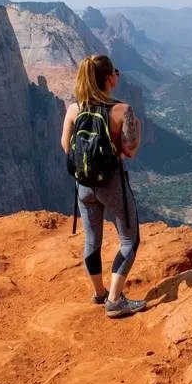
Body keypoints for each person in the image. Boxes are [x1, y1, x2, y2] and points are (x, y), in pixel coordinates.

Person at [61, 55, 145, 318]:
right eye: (116, 72)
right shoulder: (122, 110)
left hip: (83, 185)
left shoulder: (74, 109)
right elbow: (130, 149)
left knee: (92, 239)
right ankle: (114, 300)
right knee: (130, 239)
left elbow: (66, 146)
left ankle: (98, 292)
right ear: (110, 78)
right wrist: (115, 155)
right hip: (111, 184)